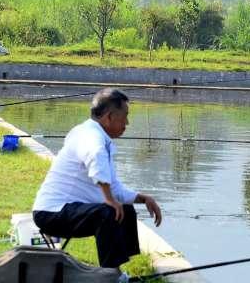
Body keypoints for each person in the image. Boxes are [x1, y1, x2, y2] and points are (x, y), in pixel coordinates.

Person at [32, 89, 162, 269]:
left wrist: (143, 198)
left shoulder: (98, 137)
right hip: (52, 213)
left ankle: (120, 269)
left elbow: (114, 187)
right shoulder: (90, 136)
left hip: (71, 209)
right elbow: (95, 157)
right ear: (109, 117)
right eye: (125, 117)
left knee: (126, 210)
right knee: (108, 213)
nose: (127, 123)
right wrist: (108, 199)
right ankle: (109, 275)